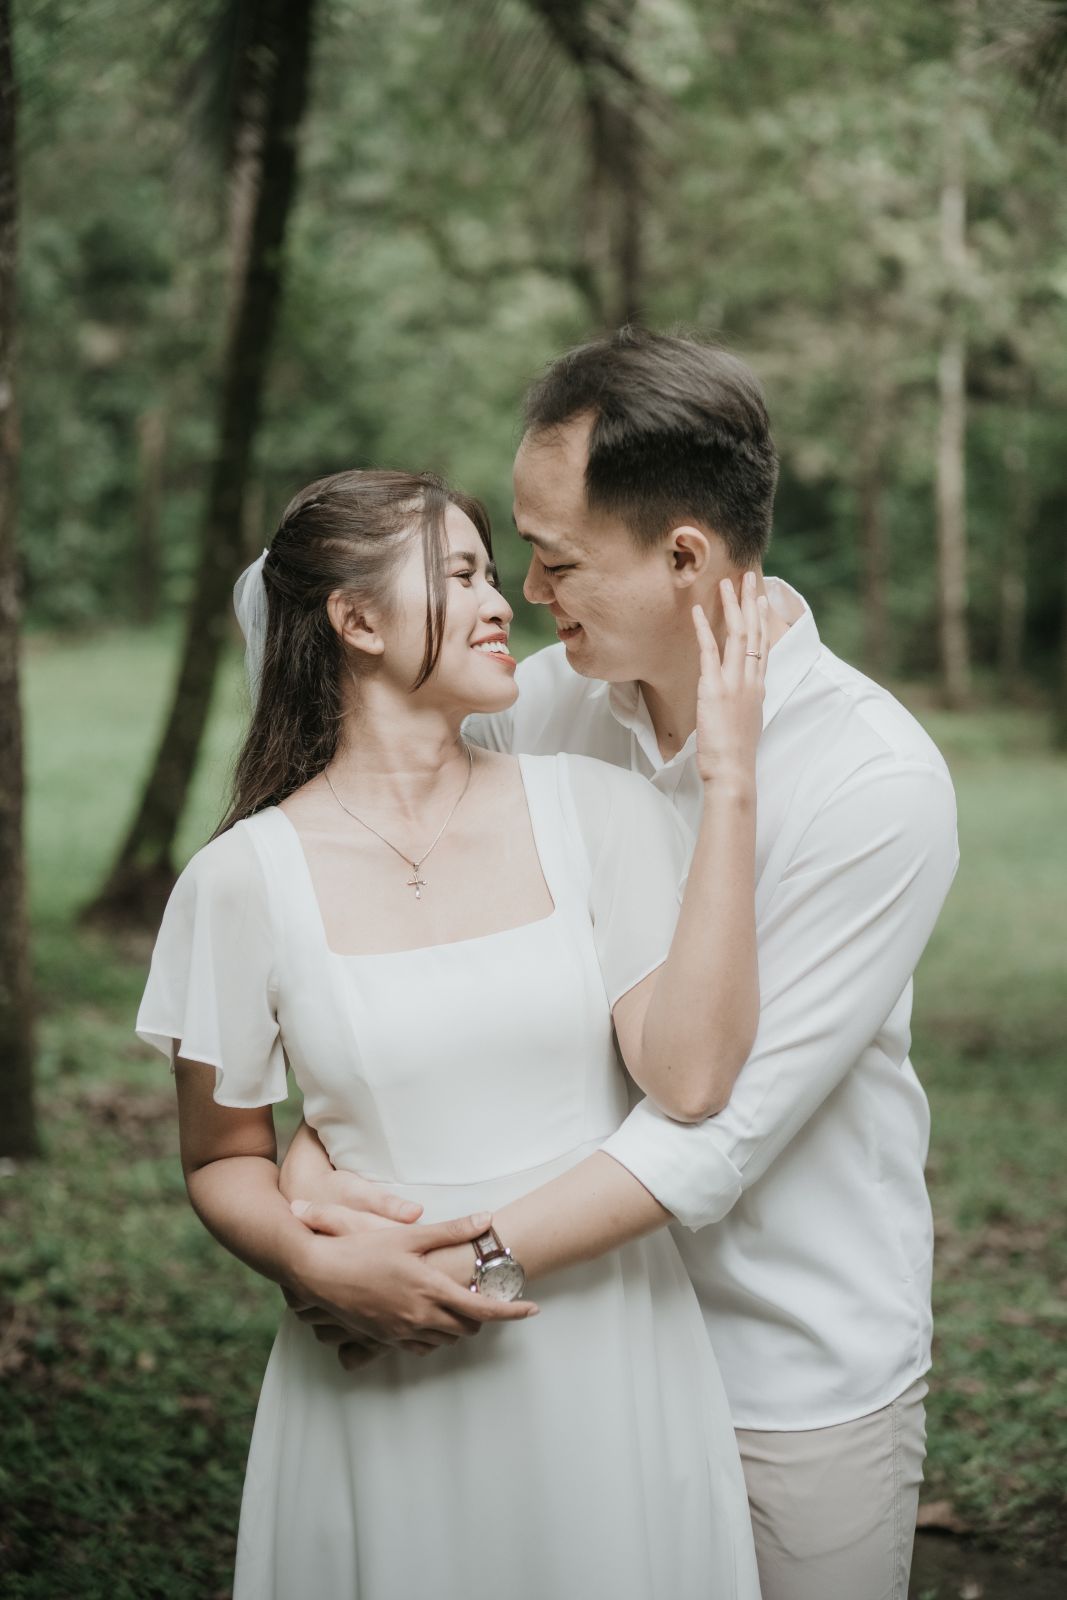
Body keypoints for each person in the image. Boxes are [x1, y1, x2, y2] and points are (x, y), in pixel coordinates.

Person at [281, 331, 960, 1600]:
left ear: (685, 556)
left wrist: (442, 1268)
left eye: (558, 558)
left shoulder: (872, 783)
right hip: (574, 1353)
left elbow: (711, 1128)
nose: (530, 591)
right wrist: (311, 1185)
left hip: (780, 1373)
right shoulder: (540, 709)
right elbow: (419, 949)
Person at [135, 466, 766, 1599]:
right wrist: (312, 1260)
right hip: (375, 1373)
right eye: (462, 574)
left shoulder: (597, 811)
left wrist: (727, 786)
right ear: (357, 621)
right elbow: (222, 1156)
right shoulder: (238, 882)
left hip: (603, 1354)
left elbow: (689, 1079)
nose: (501, 603)